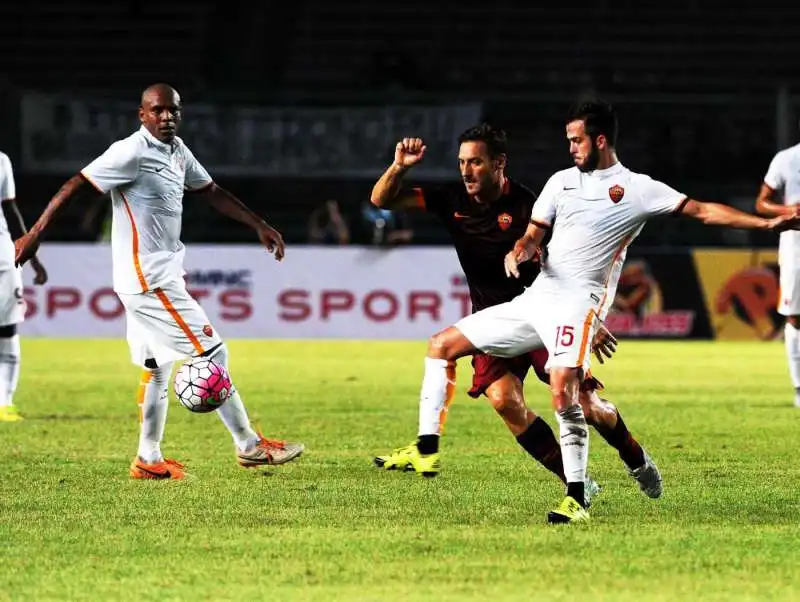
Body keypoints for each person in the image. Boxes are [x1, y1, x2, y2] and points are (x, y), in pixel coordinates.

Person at [393, 101, 800, 524]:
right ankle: (426, 449)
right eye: (568, 140)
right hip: (537, 298)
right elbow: (532, 235)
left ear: (600, 140)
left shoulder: (638, 189)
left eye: (576, 140)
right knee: (442, 345)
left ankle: (586, 492)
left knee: (565, 392)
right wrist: (520, 251)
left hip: (579, 304)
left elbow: (703, 211)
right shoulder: (559, 183)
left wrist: (767, 225)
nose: (569, 147)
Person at [14, 83, 304, 477]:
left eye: (173, 111)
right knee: (212, 353)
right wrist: (34, 234)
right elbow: (76, 184)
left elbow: (211, 190)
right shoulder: (131, 151)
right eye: (158, 111)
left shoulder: (178, 151)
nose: (167, 117)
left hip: (157, 275)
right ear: (142, 115)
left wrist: (259, 224)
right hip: (148, 279)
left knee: (157, 366)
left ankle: (148, 459)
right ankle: (249, 445)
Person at [369, 123, 661, 506]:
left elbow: (569, 260)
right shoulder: (451, 198)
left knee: (587, 406)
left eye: (475, 162)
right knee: (505, 401)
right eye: (461, 162)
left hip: (545, 314)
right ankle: (578, 484)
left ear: (499, 163)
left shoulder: (529, 205)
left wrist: (589, 316)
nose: (466, 171)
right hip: (493, 321)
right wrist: (399, 167)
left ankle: (635, 457)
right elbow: (382, 199)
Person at [0, 151, 48, 422]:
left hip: (3, 258)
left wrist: (33, 260)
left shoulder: (2, 161)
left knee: (6, 330)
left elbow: (10, 211)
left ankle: (4, 403)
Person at [755, 135, 800, 406]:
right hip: (796, 247)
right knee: (795, 317)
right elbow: (761, 202)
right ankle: (799, 388)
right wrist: (787, 210)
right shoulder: (786, 158)